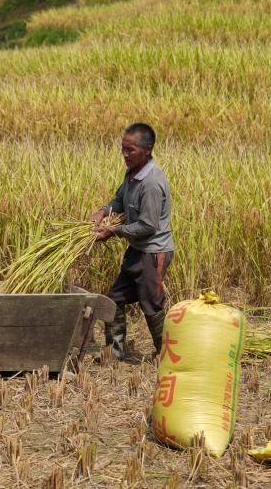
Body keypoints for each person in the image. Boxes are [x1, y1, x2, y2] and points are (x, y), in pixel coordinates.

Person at [89, 123, 174, 362]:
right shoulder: (132, 173)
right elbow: (119, 200)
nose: (125, 154)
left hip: (153, 254)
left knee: (152, 306)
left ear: (147, 150)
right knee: (114, 299)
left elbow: (148, 226)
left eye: (130, 150)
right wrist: (102, 212)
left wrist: (114, 231)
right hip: (137, 250)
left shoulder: (151, 183)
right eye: (123, 149)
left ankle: (166, 357)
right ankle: (114, 354)